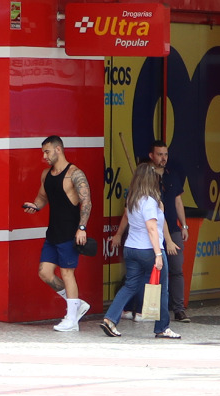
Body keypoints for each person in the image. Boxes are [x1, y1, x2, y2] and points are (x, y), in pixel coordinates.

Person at [100, 162, 179, 340]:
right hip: (149, 250)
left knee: (130, 285)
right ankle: (162, 328)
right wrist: (159, 254)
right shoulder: (149, 202)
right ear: (151, 180)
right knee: (162, 289)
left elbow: (128, 218)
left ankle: (110, 319)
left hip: (131, 249)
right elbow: (152, 228)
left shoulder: (132, 199)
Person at [23, 136, 91, 331]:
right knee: (44, 273)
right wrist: (35, 206)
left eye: (47, 151)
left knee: (67, 273)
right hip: (52, 232)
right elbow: (42, 197)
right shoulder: (46, 174)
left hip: (70, 232)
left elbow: (87, 202)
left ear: (58, 149)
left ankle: (72, 320)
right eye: (43, 152)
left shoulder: (75, 174)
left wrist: (82, 228)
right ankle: (76, 304)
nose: (44, 156)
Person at [150, 142, 191, 322]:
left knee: (176, 269)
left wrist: (184, 225)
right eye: (159, 154)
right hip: (151, 231)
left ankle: (179, 309)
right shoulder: (146, 177)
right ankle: (152, 308)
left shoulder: (172, 175)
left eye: (165, 154)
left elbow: (178, 202)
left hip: (173, 230)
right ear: (152, 155)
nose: (163, 158)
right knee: (151, 269)